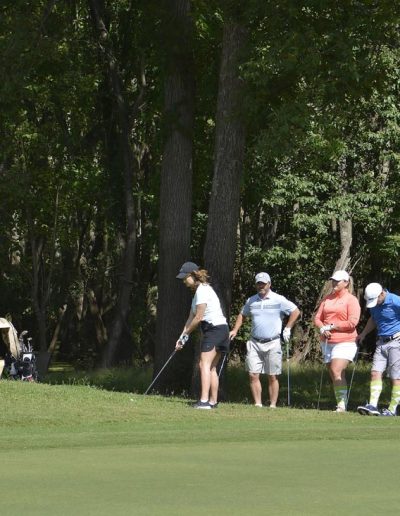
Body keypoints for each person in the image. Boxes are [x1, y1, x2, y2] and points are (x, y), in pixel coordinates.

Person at [229, 272, 300, 408]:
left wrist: (288, 327)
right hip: (255, 342)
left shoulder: (278, 299)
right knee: (253, 374)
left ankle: (272, 405)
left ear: (269, 284)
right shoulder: (251, 300)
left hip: (273, 342)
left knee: (272, 375)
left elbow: (295, 311)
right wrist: (235, 330)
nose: (261, 286)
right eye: (258, 284)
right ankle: (258, 404)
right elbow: (242, 314)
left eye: (263, 283)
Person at [175, 261, 230, 409]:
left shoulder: (203, 291)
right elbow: (190, 318)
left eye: (185, 277)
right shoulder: (198, 293)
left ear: (193, 275)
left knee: (203, 364)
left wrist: (187, 333)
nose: (184, 281)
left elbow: (198, 318)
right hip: (220, 330)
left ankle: (204, 401)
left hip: (215, 329)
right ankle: (212, 402)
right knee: (211, 367)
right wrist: (182, 338)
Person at [314, 270, 361, 412]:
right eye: (333, 280)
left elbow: (352, 322)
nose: (334, 283)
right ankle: (341, 403)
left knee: (336, 369)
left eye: (337, 281)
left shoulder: (351, 300)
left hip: (345, 341)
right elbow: (317, 318)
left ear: (346, 283)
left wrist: (332, 326)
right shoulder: (327, 299)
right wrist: (322, 328)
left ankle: (341, 405)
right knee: (335, 374)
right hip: (327, 342)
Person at [357, 283, 400, 416]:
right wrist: (363, 334)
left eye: (376, 300)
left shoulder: (395, 300)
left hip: (396, 342)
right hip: (381, 342)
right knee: (375, 372)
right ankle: (373, 405)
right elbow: (373, 319)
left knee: (396, 377)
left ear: (382, 293)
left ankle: (393, 409)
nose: (374, 303)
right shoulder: (375, 303)